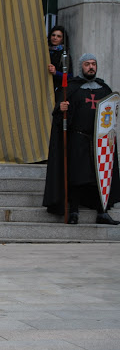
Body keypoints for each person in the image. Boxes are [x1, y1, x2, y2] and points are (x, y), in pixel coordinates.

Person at [43, 53, 120, 225]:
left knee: (101, 176)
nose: (91, 67)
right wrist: (61, 109)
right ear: (81, 67)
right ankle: (74, 211)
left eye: (93, 64)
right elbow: (59, 118)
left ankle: (102, 212)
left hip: (100, 142)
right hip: (78, 139)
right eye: (87, 64)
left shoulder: (104, 89)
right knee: (77, 176)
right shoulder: (71, 88)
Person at [46, 25, 72, 96]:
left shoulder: (65, 54)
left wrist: (56, 73)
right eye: (53, 35)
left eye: (58, 36)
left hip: (57, 90)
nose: (55, 38)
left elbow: (70, 76)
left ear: (63, 39)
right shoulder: (45, 51)